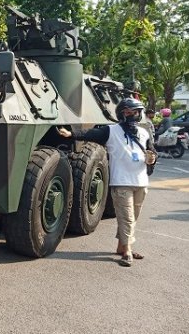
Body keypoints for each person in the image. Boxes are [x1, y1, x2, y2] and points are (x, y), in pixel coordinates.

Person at [57, 98, 157, 267]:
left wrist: (152, 158)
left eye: (135, 112)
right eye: (128, 112)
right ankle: (127, 251)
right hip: (121, 182)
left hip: (141, 182)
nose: (133, 115)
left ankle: (121, 246)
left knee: (133, 217)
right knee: (127, 218)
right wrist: (71, 134)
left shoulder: (144, 133)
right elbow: (90, 134)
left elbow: (151, 150)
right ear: (121, 113)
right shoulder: (111, 131)